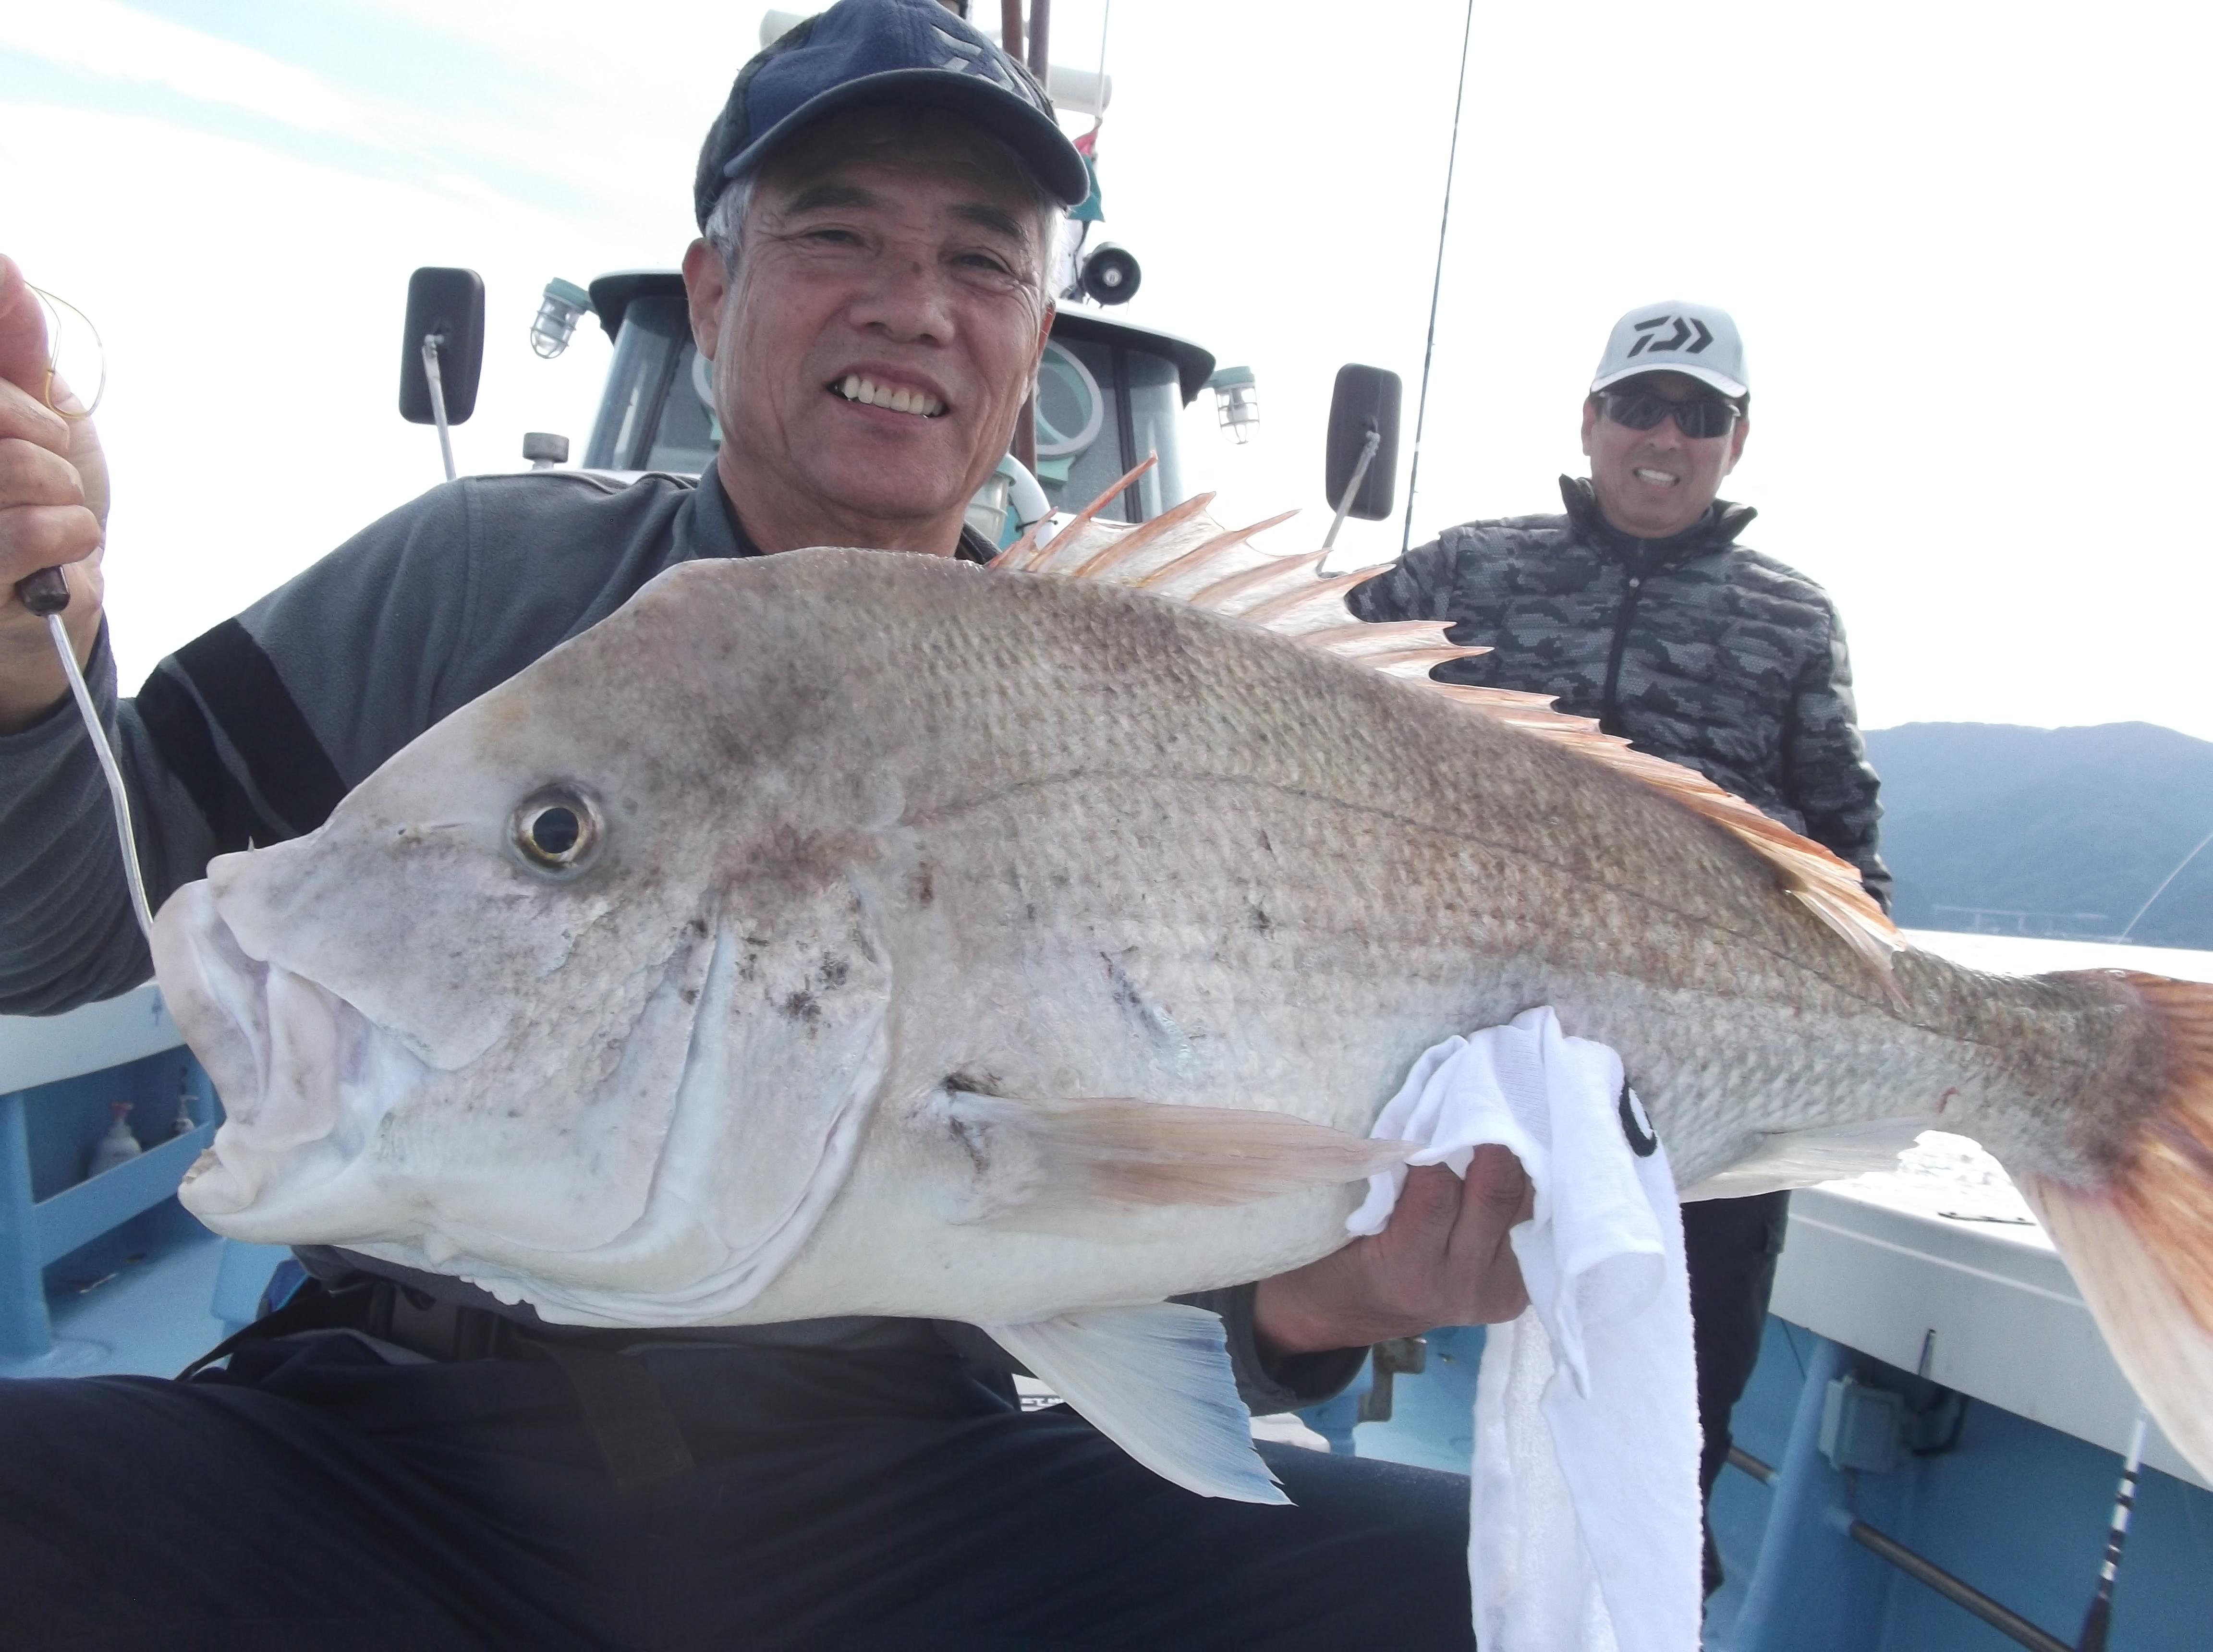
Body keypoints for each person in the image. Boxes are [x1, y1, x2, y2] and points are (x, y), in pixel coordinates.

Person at [0, 3, 1528, 1645]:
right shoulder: (468, 578)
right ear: (714, 290)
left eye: (983, 262)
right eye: (837, 232)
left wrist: (1317, 1305)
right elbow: (77, 934)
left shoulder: (1158, 721)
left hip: (910, 1481)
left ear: (1034, 344)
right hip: (393, 1442)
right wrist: (30, 671)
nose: (913, 305)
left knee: (1490, 1591)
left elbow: (1127, 1260)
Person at [1348, 300, 1891, 1594]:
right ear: (1590, 422)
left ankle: (1644, 1576)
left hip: (1700, 1061)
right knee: (1382, 1267)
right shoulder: (1471, 566)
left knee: (1679, 1378)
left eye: (1698, 416)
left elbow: (1844, 841)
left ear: (1737, 442)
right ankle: (1408, 1548)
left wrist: (1866, 1010)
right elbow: (1299, 680)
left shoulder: (1792, 620)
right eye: (1639, 406)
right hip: (1462, 1032)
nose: (1665, 436)